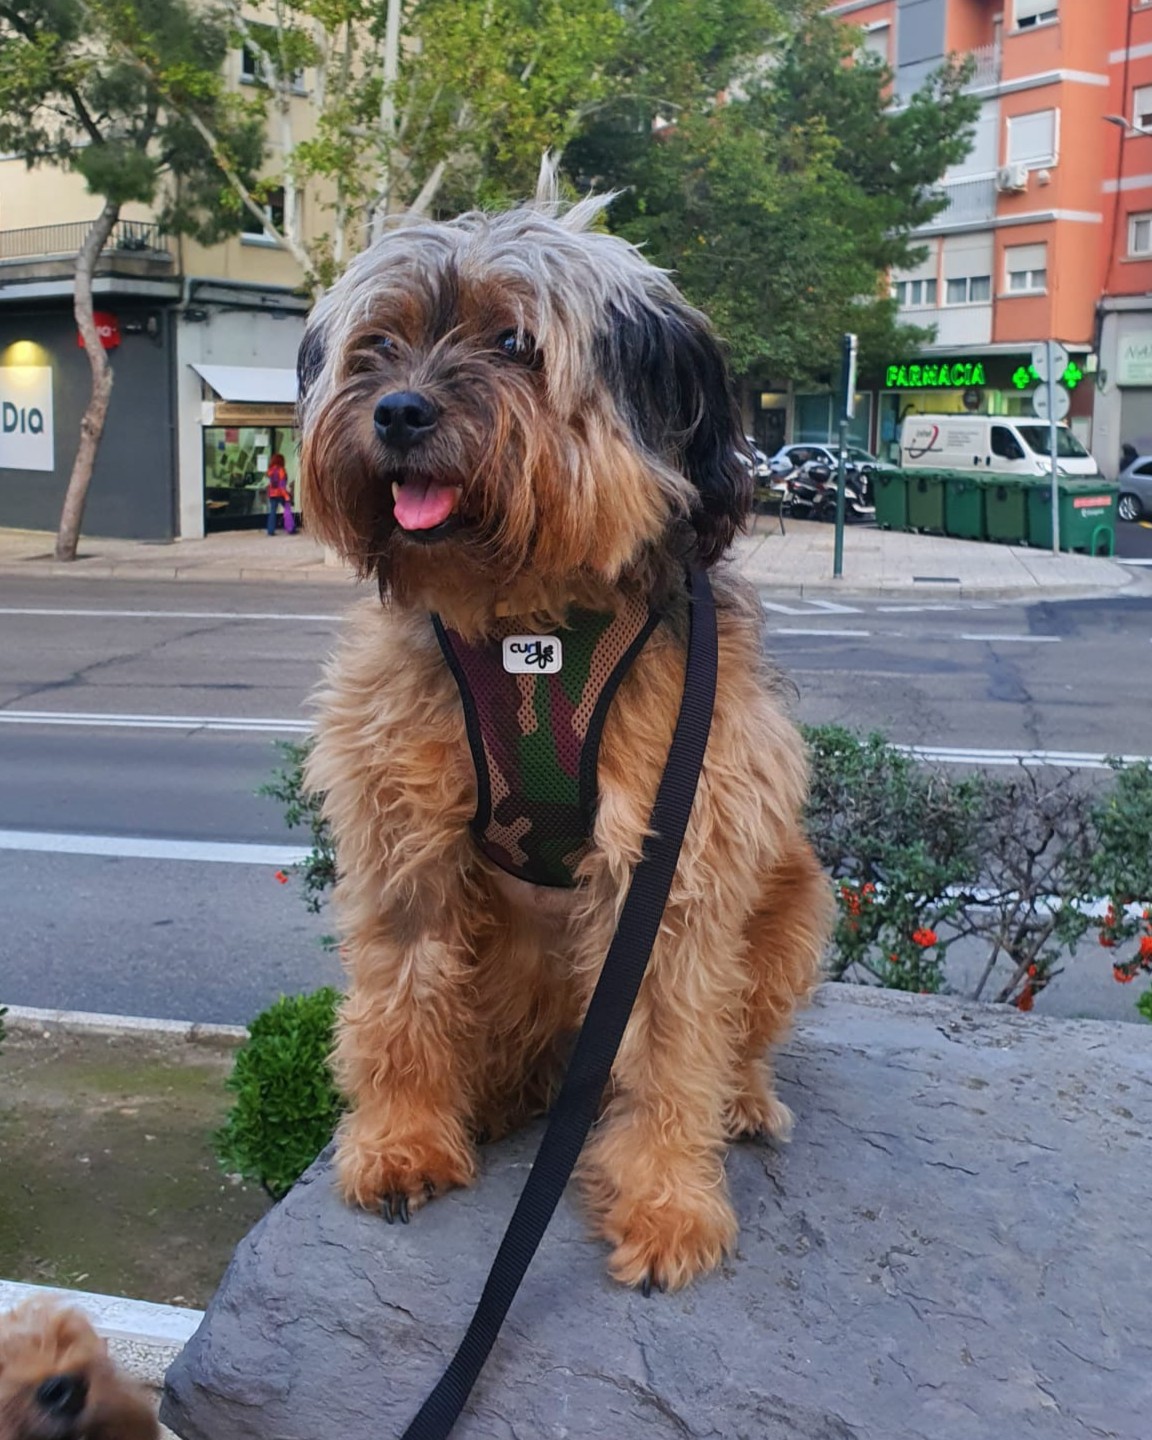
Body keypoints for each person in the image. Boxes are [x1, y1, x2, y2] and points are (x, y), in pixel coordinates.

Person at [264, 453, 293, 534]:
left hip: (272, 494)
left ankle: (270, 530)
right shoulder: (281, 470)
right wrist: (286, 495)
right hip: (280, 493)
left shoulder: (270, 470)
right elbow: (282, 485)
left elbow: (268, 483)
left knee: (272, 511)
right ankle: (290, 528)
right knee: (287, 509)